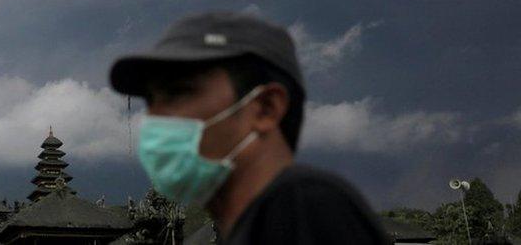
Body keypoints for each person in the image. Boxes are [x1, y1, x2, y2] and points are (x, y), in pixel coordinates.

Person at [109, 12, 388, 244]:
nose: (159, 119)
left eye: (181, 94)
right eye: (153, 102)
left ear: (266, 108)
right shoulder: (245, 224)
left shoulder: (303, 211)